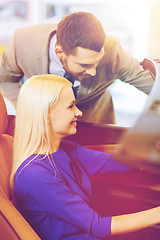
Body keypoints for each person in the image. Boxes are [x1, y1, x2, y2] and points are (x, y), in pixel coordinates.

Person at [11, 74, 160, 240]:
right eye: (71, 107)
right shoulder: (35, 174)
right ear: (46, 114)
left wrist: (152, 147)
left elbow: (120, 162)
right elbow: (98, 226)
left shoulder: (65, 149)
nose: (79, 112)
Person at [0, 12, 155, 124]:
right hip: (43, 126)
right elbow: (4, 79)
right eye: (84, 65)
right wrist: (31, 109)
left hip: (96, 123)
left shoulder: (113, 51)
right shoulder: (23, 42)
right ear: (59, 51)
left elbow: (152, 85)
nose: (93, 71)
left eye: (97, 62)